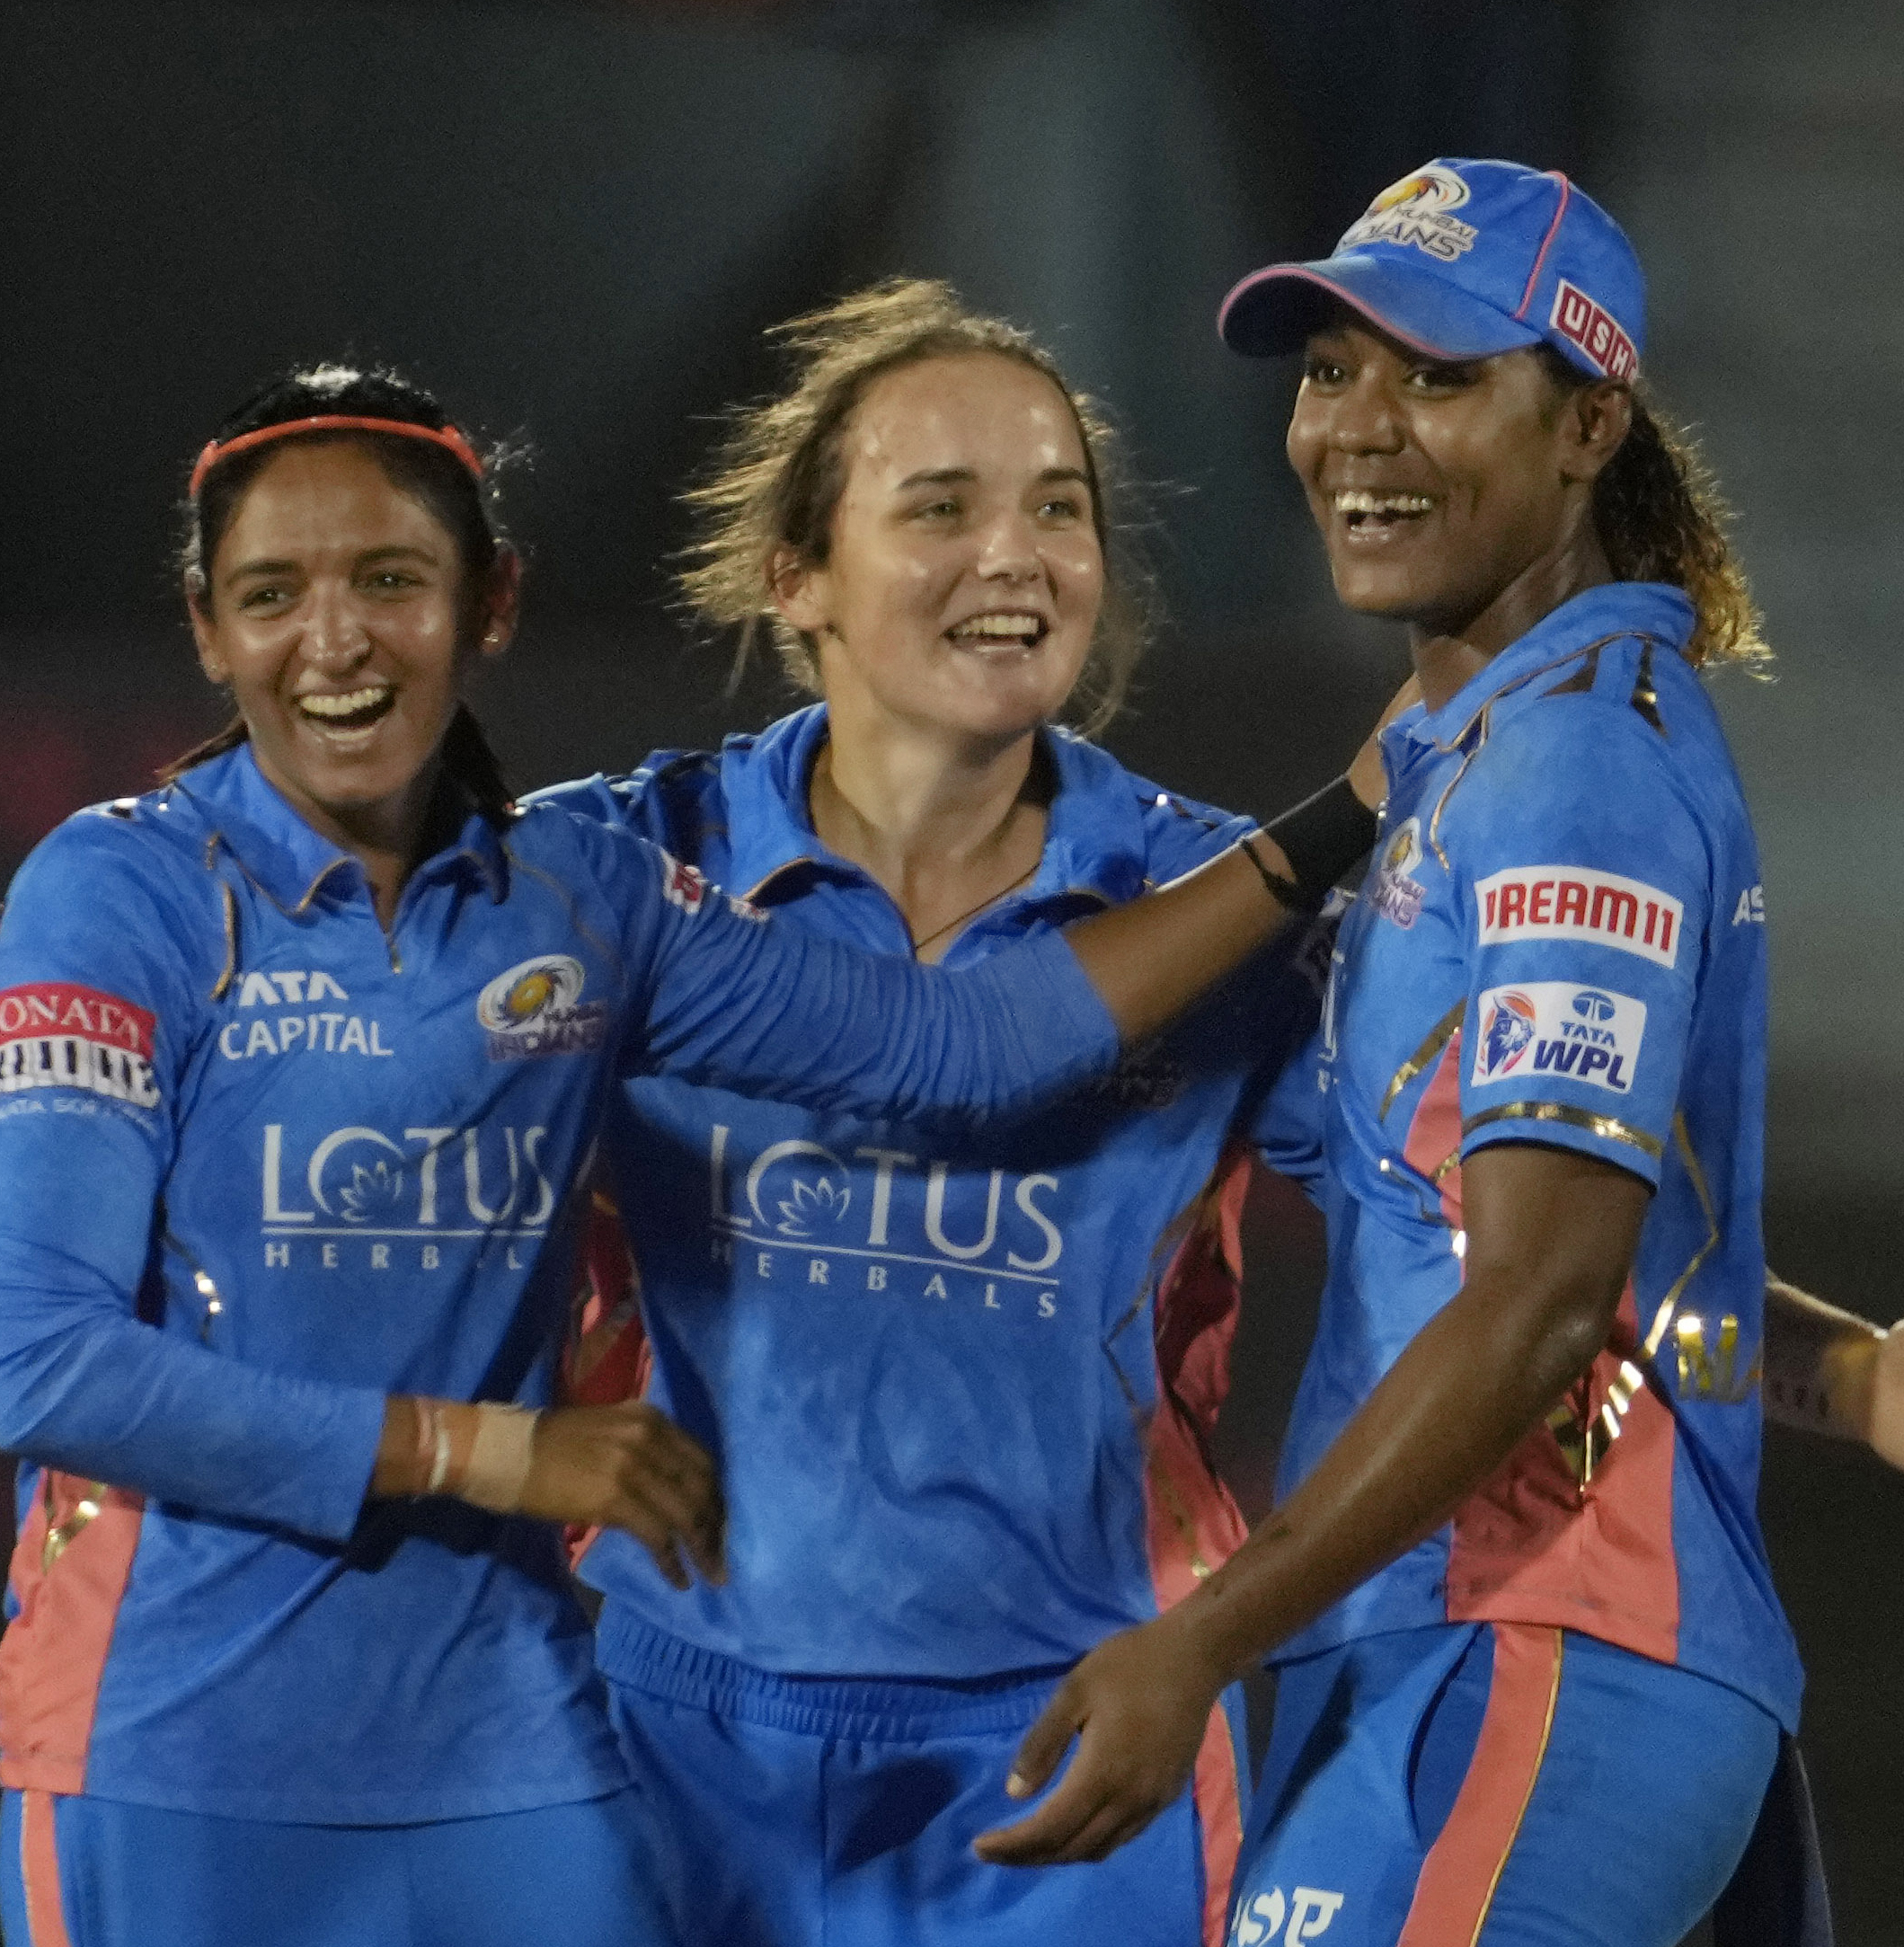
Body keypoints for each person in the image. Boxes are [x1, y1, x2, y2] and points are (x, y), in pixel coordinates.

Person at [0, 362, 1383, 1947]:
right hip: (252, 1741)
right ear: (207, 629)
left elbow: (961, 1051)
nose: (338, 640)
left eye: (392, 581)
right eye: (272, 595)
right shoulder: (144, 888)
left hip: (613, 1749)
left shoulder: (588, 898)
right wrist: (493, 1452)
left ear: (491, 601)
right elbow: (43, 1364)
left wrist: (1342, 819)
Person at [965, 161, 1904, 1947]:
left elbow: (1541, 1301)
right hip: (1470, 1650)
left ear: (1588, 425)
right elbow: (1577, 1249)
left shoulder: (1570, 771)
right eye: (1331, 370)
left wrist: (1203, 1635)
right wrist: (1842, 1376)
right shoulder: (1481, 742)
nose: (1356, 427)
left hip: (1537, 1640)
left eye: (1440, 376)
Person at [528, 281, 1324, 1947]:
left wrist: (1821, 1366)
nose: (1013, 556)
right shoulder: (622, 865)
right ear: (795, 576)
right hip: (670, 1742)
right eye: (941, 508)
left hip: (1076, 1752)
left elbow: (1515, 1226)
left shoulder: (1221, 911)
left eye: (1058, 509)